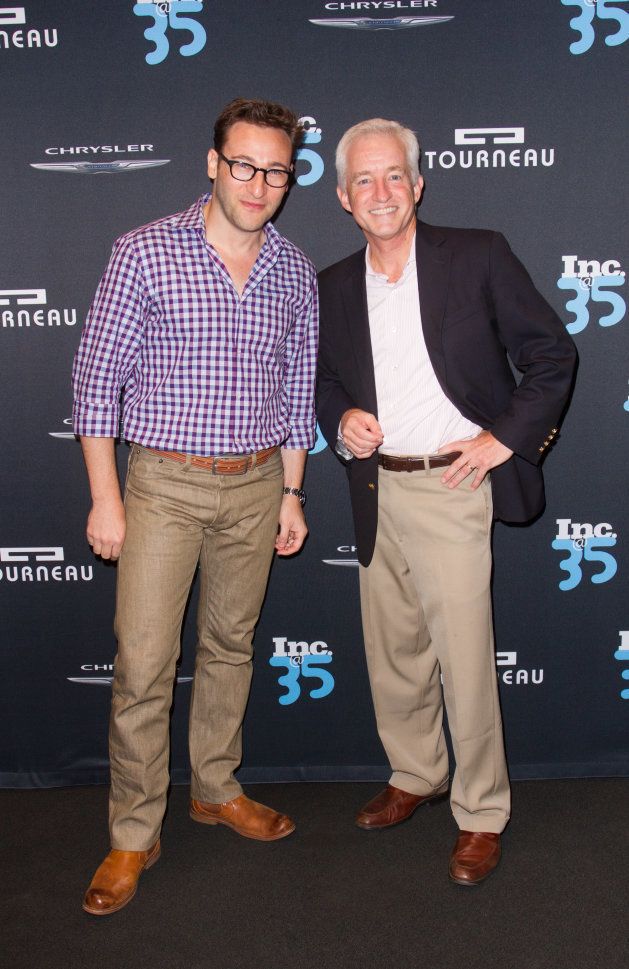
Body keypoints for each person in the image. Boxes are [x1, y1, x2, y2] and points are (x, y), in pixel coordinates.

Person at [73, 98, 318, 915]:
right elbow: (94, 378)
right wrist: (105, 496)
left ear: (290, 177)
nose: (257, 183)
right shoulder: (144, 251)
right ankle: (134, 833)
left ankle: (215, 786)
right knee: (144, 663)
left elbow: (296, 390)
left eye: (274, 169)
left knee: (229, 645)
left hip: (255, 486)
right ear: (213, 163)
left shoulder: (291, 268)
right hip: (163, 486)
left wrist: (290, 490)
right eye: (242, 164)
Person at [316, 118, 576, 885]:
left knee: (463, 661)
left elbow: (549, 352)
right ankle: (416, 772)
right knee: (393, 652)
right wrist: (338, 417)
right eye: (363, 180)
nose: (380, 191)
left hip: (453, 484)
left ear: (418, 183)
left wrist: (503, 437)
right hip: (375, 487)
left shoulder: (477, 253)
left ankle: (481, 810)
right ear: (342, 197)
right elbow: (324, 378)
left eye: (393, 175)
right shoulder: (330, 284)